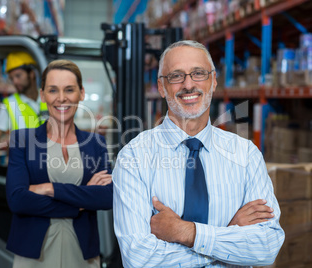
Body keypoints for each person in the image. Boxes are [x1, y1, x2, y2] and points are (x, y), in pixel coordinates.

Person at [112, 40, 285, 267]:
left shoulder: (246, 155)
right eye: (176, 76)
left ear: (213, 81)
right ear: (162, 87)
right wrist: (229, 235)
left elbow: (267, 246)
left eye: (198, 73)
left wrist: (187, 232)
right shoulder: (134, 157)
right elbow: (139, 259)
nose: (188, 84)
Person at [6, 59, 113, 268]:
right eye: (53, 90)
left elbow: (107, 197)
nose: (62, 98)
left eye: (69, 90)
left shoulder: (95, 143)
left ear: (81, 94)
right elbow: (17, 200)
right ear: (42, 94)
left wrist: (49, 188)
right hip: (33, 256)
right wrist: (82, 201)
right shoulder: (22, 141)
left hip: (83, 254)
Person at [0, 51, 48, 156]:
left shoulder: (50, 99)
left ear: (31, 74)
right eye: (12, 78)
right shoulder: (10, 104)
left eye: (18, 76)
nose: (15, 82)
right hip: (24, 168)